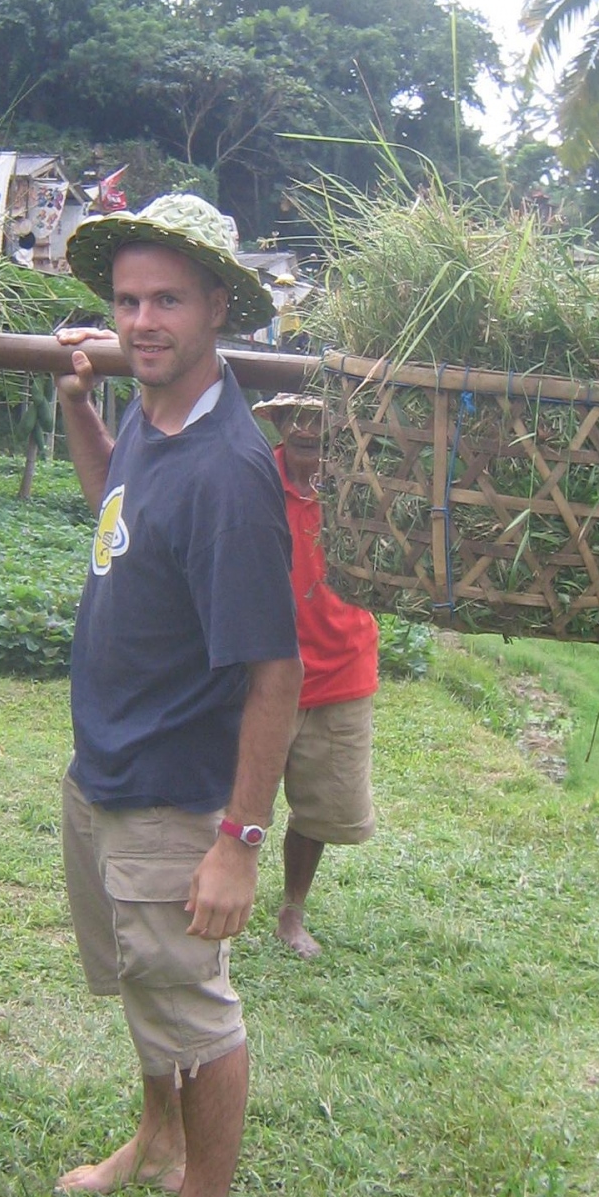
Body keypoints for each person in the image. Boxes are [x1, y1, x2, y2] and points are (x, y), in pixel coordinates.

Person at [52, 194, 303, 1197]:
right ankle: (154, 1139)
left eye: (165, 301)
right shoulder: (157, 426)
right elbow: (116, 513)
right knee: (143, 980)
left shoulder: (226, 472)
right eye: (125, 301)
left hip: (170, 789)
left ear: (214, 309)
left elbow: (275, 677)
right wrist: (77, 411)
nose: (140, 321)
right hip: (102, 763)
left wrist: (238, 843)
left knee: (190, 1002)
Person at [252, 395, 379, 959]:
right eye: (296, 416)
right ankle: (207, 892)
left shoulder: (366, 487)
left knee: (323, 807)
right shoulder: (252, 481)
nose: (308, 427)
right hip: (259, 667)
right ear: (278, 425)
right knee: (229, 794)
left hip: (342, 667)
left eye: (322, 418)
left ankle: (291, 911)